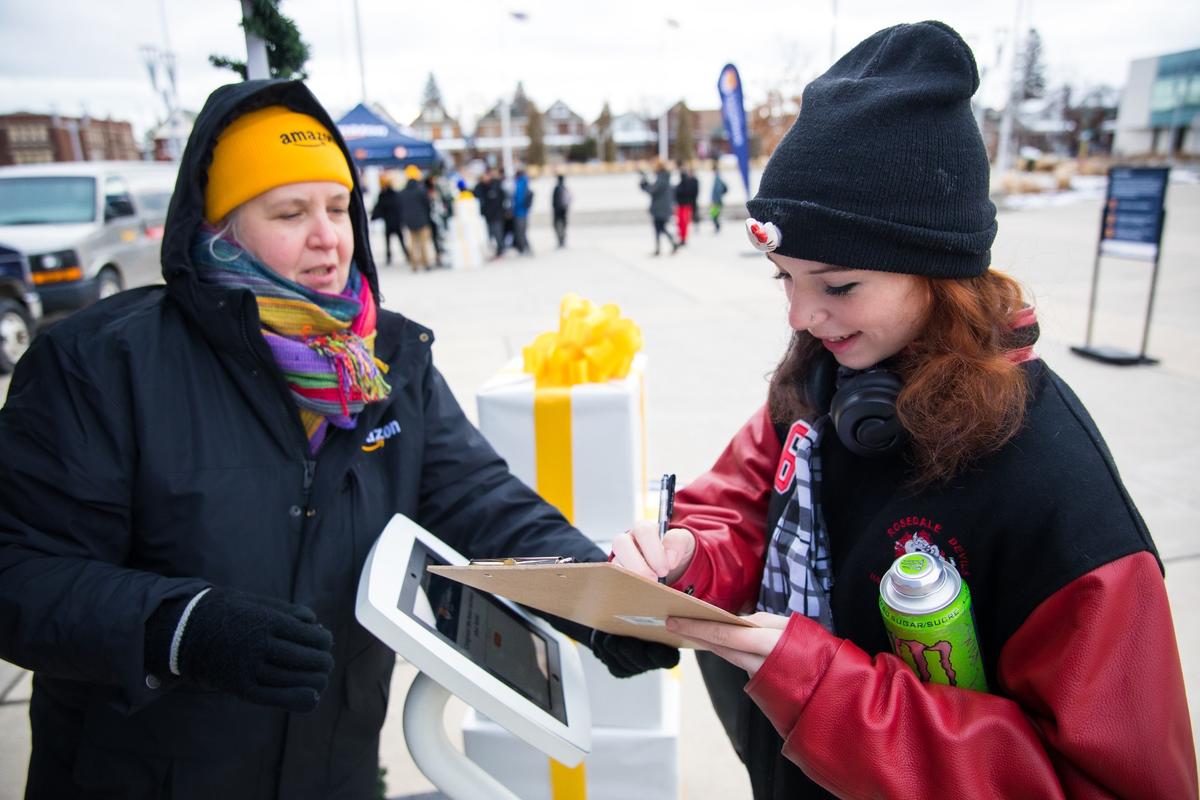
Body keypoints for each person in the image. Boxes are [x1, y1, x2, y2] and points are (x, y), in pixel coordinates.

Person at [0, 79, 678, 799]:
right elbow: (20, 571)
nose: (328, 237)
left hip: (334, 767)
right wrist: (181, 627)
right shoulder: (102, 364)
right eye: (290, 213)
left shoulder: (386, 359)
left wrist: (592, 598)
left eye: (338, 206)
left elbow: (476, 497)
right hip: (145, 774)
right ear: (219, 228)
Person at [610, 22, 1196, 800]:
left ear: (938, 269)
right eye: (782, 278)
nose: (800, 316)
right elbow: (742, 504)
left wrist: (823, 689)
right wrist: (689, 555)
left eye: (837, 285)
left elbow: (1108, 784)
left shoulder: (1053, 487)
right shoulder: (823, 380)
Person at [397, 164, 435, 271]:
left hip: (409, 221)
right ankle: (426, 263)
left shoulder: (403, 192)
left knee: (413, 243)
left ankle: (414, 265)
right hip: (422, 219)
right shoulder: (421, 191)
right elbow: (427, 205)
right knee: (424, 243)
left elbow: (401, 207)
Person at [639, 160, 678, 256]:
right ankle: (664, 246)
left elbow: (652, 190)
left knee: (660, 228)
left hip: (660, 209)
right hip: (662, 208)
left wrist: (644, 182)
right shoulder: (664, 178)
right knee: (660, 228)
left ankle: (666, 245)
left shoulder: (661, 179)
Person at [369, 172, 409, 266]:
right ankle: (392, 256)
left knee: (395, 240)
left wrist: (374, 216)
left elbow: (379, 207)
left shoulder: (385, 195)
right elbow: (380, 207)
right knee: (392, 241)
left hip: (392, 221)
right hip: (393, 221)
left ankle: (398, 256)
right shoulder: (390, 195)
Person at [474, 167, 507, 259]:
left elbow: (503, 198)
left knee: (498, 233)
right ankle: (493, 251)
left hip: (497, 215)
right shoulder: (479, 187)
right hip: (486, 216)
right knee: (488, 235)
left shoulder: (496, 185)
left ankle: (501, 251)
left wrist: (503, 210)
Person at [673, 162, 699, 245]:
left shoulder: (692, 182)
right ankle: (681, 236)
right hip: (683, 204)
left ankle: (684, 237)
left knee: (684, 222)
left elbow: (693, 193)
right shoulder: (684, 182)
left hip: (687, 204)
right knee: (681, 222)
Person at [511, 168, 533, 255]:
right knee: (522, 231)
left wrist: (513, 208)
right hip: (523, 211)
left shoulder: (520, 183)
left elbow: (519, 199)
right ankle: (525, 248)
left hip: (520, 211)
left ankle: (524, 248)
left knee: (520, 231)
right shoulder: (524, 182)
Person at [551, 173, 571, 248]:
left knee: (558, 227)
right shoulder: (565, 188)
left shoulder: (557, 188)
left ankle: (561, 241)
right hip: (564, 211)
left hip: (558, 212)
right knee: (562, 227)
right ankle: (562, 241)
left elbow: (553, 202)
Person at [708, 159, 727, 232]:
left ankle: (717, 227)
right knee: (714, 215)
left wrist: (716, 200)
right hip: (717, 200)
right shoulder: (718, 177)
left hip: (717, 201)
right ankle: (717, 227)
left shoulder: (717, 178)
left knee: (713, 215)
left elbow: (718, 190)